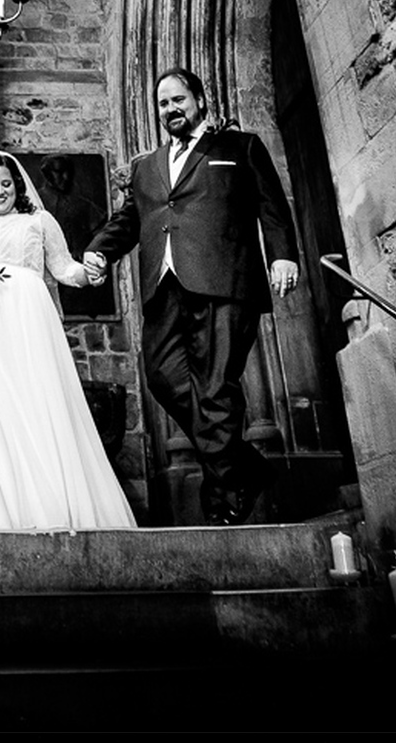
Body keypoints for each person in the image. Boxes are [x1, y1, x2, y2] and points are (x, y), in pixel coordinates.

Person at [84, 68, 300, 526]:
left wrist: (283, 256)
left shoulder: (239, 147)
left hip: (225, 282)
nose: (171, 110)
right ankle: (245, 467)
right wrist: (99, 251)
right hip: (163, 288)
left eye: (179, 100)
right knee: (163, 378)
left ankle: (223, 500)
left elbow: (271, 207)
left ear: (200, 99)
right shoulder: (147, 166)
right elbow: (129, 220)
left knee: (216, 387)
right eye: (163, 104)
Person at [0, 153, 137, 530]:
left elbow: (64, 269)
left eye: (7, 183)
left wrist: (91, 275)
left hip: (28, 324)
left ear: (18, 185)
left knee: (33, 404)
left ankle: (44, 506)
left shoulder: (40, 221)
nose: (0, 190)